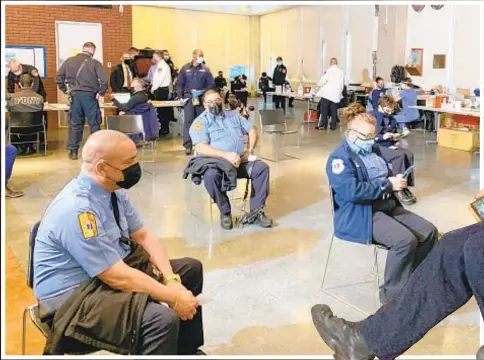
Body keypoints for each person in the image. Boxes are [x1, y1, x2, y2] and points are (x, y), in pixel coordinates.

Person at [33, 130, 204, 355]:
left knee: (189, 270)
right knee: (160, 320)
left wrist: (171, 280)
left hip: (107, 272)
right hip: (73, 298)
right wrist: (173, 297)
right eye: (129, 162)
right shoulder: (77, 209)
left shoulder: (113, 188)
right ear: (102, 167)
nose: (136, 166)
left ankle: (185, 351)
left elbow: (143, 236)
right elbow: (115, 276)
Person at [311, 190, 484, 359]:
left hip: (381, 208)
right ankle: (365, 341)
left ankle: (393, 297)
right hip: (365, 213)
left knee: (476, 248)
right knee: (452, 246)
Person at [326, 107, 437, 305]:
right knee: (404, 241)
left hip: (385, 205)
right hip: (361, 213)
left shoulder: (373, 149)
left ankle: (411, 280)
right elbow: (352, 191)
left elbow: (384, 170)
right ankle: (392, 298)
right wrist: (387, 184)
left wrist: (395, 179)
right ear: (351, 134)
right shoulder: (339, 159)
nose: (372, 140)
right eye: (367, 136)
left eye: (373, 136)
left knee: (429, 232)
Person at [187, 89, 273, 230]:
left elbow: (252, 130)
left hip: (240, 161)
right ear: (204, 105)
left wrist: (249, 150)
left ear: (222, 100)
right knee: (210, 176)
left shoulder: (233, 115)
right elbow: (201, 147)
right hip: (217, 163)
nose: (215, 104)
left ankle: (256, 212)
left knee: (261, 168)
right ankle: (225, 212)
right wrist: (226, 156)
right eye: (210, 102)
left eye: (217, 100)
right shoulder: (200, 123)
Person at [56, 41, 108, 161]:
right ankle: (97, 152)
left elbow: (59, 78)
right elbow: (104, 81)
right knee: (94, 123)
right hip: (90, 97)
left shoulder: (69, 61)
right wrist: (101, 92)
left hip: (74, 97)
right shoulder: (95, 63)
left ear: (83, 49)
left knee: (75, 124)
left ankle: (73, 152)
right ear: (93, 50)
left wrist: (66, 91)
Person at [373, 97, 417, 205]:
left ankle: (405, 185)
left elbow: (393, 131)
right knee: (398, 156)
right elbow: (371, 135)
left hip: (389, 143)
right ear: (380, 107)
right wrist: (383, 137)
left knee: (409, 154)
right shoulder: (373, 117)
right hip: (376, 145)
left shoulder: (391, 118)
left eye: (391, 110)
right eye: (387, 110)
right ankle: (398, 188)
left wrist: (395, 137)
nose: (390, 112)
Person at [177, 49, 214, 156]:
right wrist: (180, 97)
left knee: (202, 121)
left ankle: (202, 143)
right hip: (189, 98)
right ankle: (188, 145)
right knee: (188, 121)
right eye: (199, 55)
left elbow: (211, 85)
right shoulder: (185, 68)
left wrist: (202, 91)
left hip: (201, 98)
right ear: (193, 56)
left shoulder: (206, 69)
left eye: (202, 55)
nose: (201, 57)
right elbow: (180, 84)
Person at [8, 74, 45, 155]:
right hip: (36, 128)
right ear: (32, 84)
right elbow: (41, 109)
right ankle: (30, 146)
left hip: (16, 128)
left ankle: (17, 146)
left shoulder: (13, 98)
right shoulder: (40, 97)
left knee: (9, 122)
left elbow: (9, 109)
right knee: (32, 121)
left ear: (20, 84)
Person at [315, 58, 345, 130]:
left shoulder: (329, 71)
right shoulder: (341, 72)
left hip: (327, 94)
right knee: (334, 110)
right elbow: (342, 84)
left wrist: (318, 85)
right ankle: (333, 125)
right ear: (337, 63)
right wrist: (339, 92)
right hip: (336, 94)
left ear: (330, 63)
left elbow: (323, 81)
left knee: (324, 109)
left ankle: (323, 125)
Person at [150, 51, 173, 137]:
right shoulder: (161, 65)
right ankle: (163, 128)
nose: (153, 58)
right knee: (162, 111)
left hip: (161, 90)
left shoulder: (162, 66)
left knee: (162, 111)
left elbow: (159, 80)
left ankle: (164, 129)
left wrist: (153, 88)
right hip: (161, 90)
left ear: (157, 57)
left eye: (153, 56)